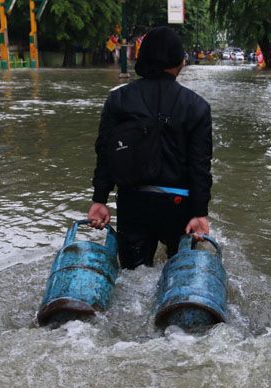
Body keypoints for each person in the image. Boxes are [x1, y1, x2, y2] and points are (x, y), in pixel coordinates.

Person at [88, 26, 213, 269]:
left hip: (133, 202)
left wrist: (99, 199)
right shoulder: (197, 107)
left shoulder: (118, 100)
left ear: (143, 58)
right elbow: (200, 165)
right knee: (180, 273)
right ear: (180, 62)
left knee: (133, 277)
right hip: (179, 205)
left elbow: (105, 153)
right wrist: (200, 213)